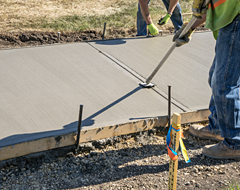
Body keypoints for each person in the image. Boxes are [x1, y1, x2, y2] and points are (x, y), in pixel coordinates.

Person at [173, 0, 240, 160]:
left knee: (224, 84)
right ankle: (217, 128)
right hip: (230, 19)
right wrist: (190, 27)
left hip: (235, 19)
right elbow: (208, 8)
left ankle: (235, 143)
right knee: (216, 76)